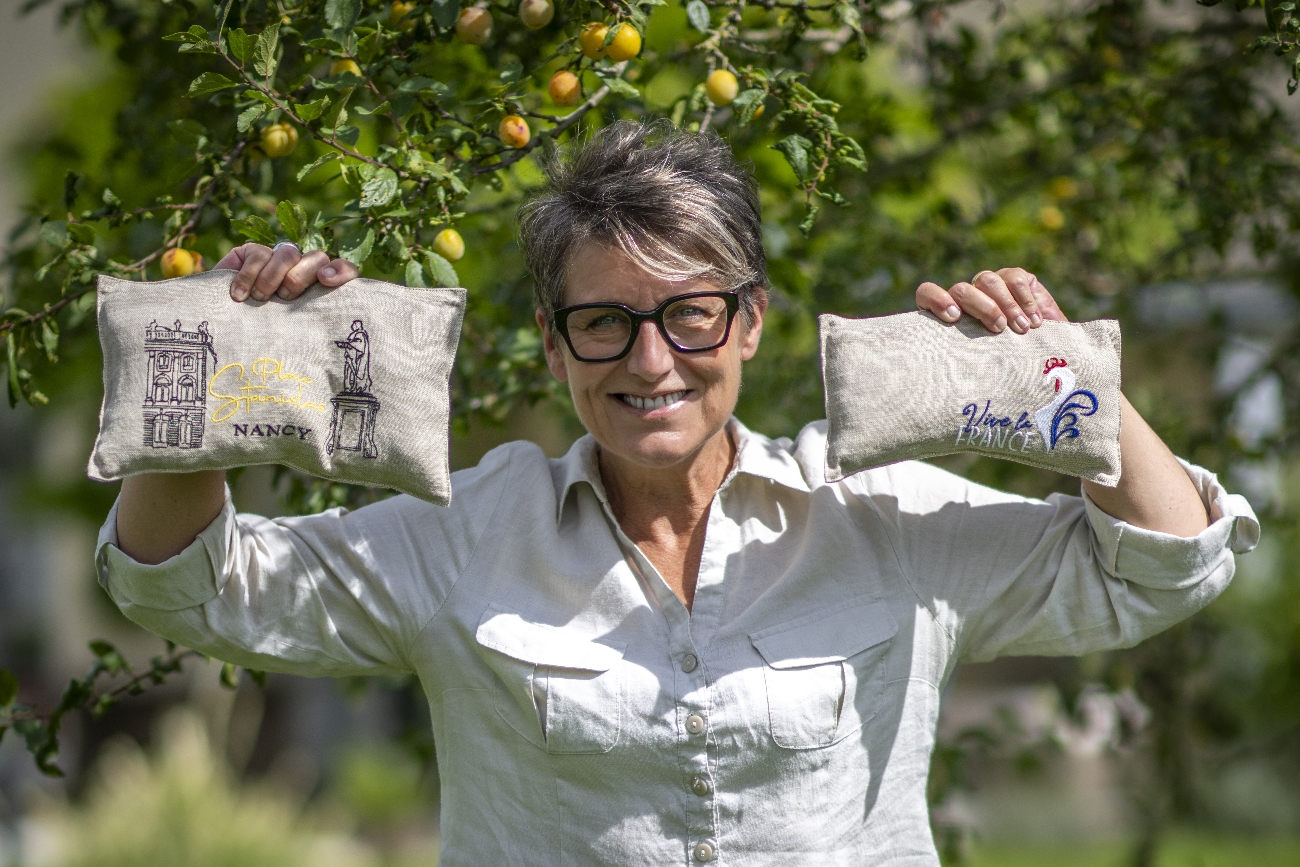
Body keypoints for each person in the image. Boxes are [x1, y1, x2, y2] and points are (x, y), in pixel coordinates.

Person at [97, 121, 1258, 866]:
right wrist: (225, 385)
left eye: (690, 314)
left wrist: (1061, 376)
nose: (651, 363)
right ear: (554, 348)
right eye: (603, 324)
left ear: (748, 321)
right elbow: (186, 590)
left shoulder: (884, 520)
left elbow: (1165, 561)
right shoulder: (463, 537)